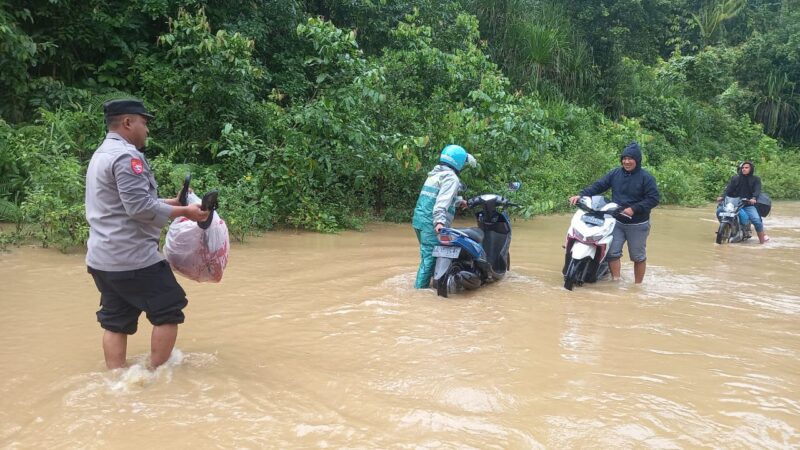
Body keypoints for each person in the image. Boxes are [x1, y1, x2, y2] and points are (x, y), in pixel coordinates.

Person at [85, 99, 208, 370]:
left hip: (102, 259)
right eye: (144, 122)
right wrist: (187, 211)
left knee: (116, 320)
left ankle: (116, 378)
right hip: (133, 258)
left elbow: (123, 204)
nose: (147, 129)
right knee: (169, 310)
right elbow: (140, 208)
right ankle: (152, 376)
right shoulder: (127, 157)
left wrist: (175, 204)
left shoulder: (101, 155)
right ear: (128, 123)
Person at [569, 142, 660, 284]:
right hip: (616, 221)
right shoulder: (615, 173)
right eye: (624, 158)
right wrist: (581, 195)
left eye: (630, 158)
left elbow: (653, 199)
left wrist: (633, 209)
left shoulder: (646, 178)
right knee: (612, 253)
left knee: (638, 257)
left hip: (638, 224)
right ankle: (616, 282)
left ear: (637, 160)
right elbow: (599, 186)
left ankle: (637, 286)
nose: (626, 161)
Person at [411, 144, 477, 289]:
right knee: (430, 260)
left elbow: (436, 196)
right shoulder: (451, 178)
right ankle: (418, 294)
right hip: (431, 223)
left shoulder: (435, 174)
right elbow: (441, 202)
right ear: (458, 162)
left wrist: (459, 202)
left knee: (426, 258)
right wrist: (439, 222)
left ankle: (429, 285)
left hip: (419, 221)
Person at [716, 161, 769, 244]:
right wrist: (722, 196)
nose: (744, 169)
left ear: (751, 169)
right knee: (719, 211)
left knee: (756, 220)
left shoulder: (756, 179)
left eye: (746, 167)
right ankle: (728, 228)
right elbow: (728, 189)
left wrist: (754, 198)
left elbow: (757, 190)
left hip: (747, 204)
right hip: (733, 203)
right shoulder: (735, 178)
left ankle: (762, 242)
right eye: (743, 168)